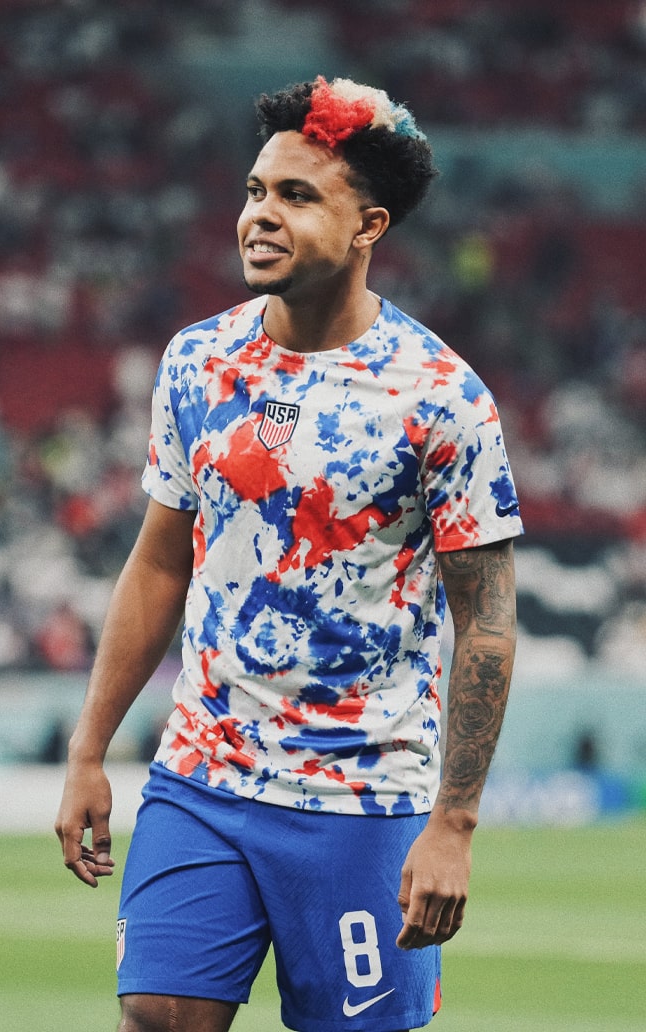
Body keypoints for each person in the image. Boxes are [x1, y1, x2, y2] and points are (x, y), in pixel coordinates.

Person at [55, 75, 523, 1032]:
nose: (260, 215)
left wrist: (453, 822)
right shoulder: (198, 361)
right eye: (256, 190)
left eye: (297, 196)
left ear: (368, 227)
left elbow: (487, 621)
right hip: (204, 775)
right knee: (156, 1015)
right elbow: (159, 562)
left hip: (363, 797)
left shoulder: (442, 396)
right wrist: (89, 748)